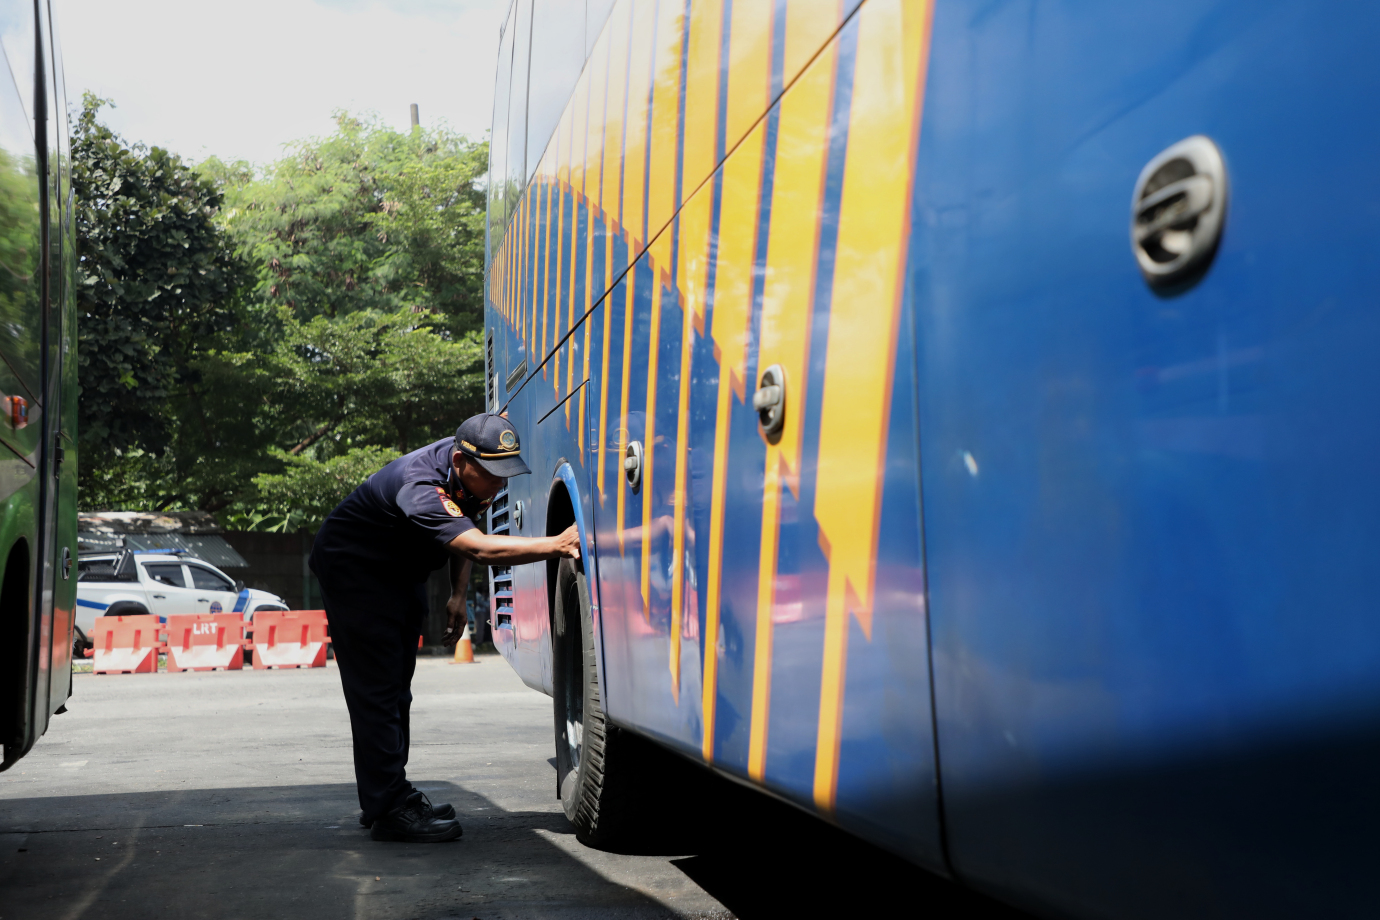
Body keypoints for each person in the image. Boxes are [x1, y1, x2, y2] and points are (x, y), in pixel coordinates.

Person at [310, 413, 580, 842]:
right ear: (459, 461)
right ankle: (388, 808)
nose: (501, 484)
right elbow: (477, 545)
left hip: (398, 572)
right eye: (494, 474)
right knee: (377, 689)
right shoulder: (420, 487)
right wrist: (555, 544)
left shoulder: (473, 465)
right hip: (355, 572)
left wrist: (458, 593)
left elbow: (465, 522)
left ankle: (387, 794)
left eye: (508, 472)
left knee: (398, 686)